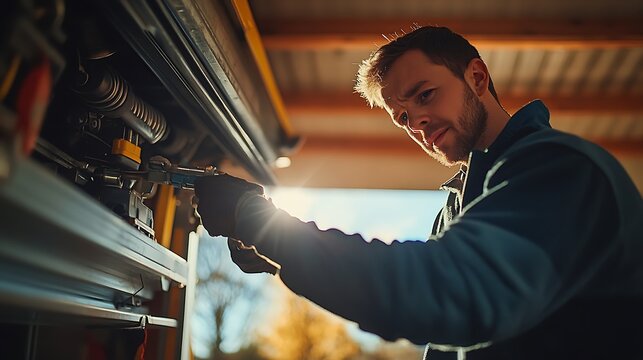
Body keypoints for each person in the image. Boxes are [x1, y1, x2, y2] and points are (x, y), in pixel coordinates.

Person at [194, 26, 643, 359]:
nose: (418, 124)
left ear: (478, 78)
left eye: (425, 95)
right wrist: (280, 251)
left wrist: (259, 222)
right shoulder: (458, 204)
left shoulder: (560, 171)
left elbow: (442, 293)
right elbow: (439, 331)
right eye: (403, 117)